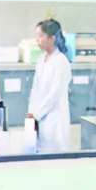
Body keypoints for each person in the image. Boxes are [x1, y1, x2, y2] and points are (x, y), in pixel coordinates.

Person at [27, 18, 72, 152]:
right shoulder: (41, 60)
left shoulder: (61, 61)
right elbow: (35, 89)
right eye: (37, 36)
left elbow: (54, 95)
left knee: (54, 155)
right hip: (39, 117)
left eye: (41, 36)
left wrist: (37, 114)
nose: (37, 40)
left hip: (54, 120)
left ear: (52, 38)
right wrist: (31, 113)